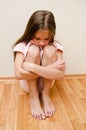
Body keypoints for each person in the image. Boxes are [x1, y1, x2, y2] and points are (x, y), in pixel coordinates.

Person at [13, 10, 66, 120]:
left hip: (46, 83)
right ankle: (34, 97)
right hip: (29, 84)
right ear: (30, 32)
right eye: (37, 38)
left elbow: (60, 75)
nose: (42, 43)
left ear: (51, 34)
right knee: (33, 50)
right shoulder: (22, 46)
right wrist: (51, 69)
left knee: (50, 50)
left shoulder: (56, 45)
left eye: (46, 39)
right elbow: (18, 74)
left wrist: (33, 67)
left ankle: (46, 95)